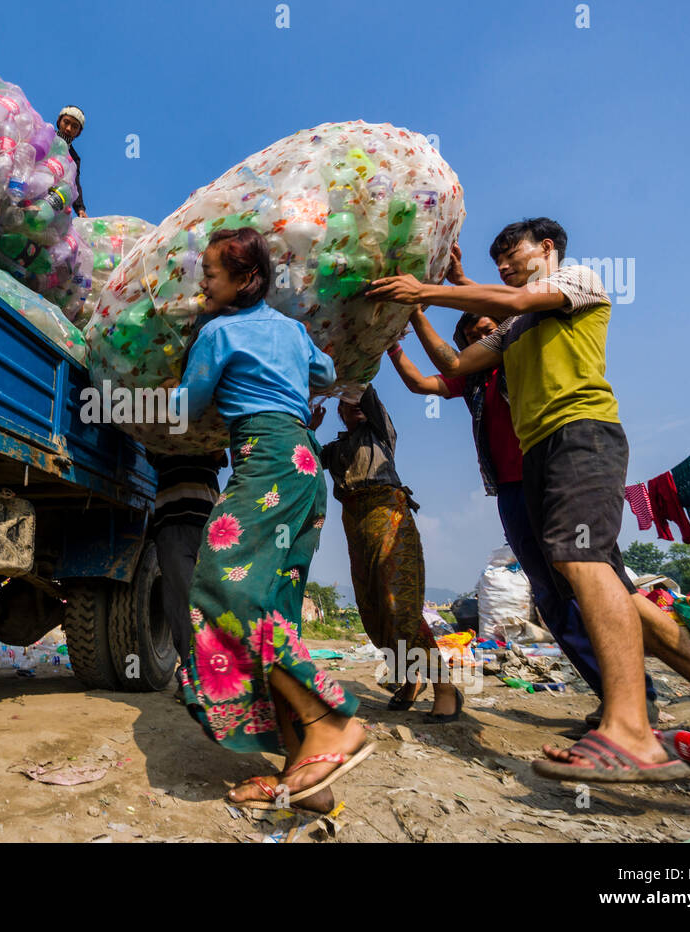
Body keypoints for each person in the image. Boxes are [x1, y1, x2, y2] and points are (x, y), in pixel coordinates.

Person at [366, 217, 690, 781]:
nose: (506, 265)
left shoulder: (579, 281)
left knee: (578, 563)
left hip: (580, 433)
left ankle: (631, 729)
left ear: (548, 248)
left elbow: (514, 297)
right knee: (616, 593)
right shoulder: (513, 329)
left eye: (512, 254)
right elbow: (456, 365)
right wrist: (414, 313)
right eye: (498, 261)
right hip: (541, 453)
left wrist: (426, 289)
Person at [387, 246, 659, 729]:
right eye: (473, 332)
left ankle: (637, 700)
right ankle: (616, 699)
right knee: (553, 595)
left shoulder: (528, 341)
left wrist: (437, 289)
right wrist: (401, 334)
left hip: (560, 464)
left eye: (485, 326)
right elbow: (438, 374)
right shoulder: (477, 378)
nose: (482, 332)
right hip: (515, 489)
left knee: (588, 581)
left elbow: (512, 306)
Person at [172, 227, 372, 811]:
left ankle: (328, 719)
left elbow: (186, 408)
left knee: (220, 587)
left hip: (264, 463)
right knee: (273, 608)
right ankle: (305, 778)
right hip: (305, 465)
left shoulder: (218, 332)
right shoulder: (292, 330)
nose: (203, 283)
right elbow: (325, 373)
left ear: (244, 280)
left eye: (210, 275)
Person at [313, 387, 463, 721]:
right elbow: (304, 457)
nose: (355, 408)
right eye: (347, 405)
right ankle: (410, 681)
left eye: (358, 404)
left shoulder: (380, 433)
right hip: (355, 523)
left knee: (400, 604)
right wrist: (308, 426)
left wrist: (351, 375)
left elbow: (365, 394)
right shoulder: (335, 449)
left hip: (388, 514)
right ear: (339, 413)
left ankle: (445, 688)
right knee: (373, 608)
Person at [146, 450, 228, 673]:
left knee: (211, 597)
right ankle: (193, 669)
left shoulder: (207, 438)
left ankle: (216, 667)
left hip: (209, 526)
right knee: (181, 599)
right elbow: (153, 450)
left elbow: (218, 451)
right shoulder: (160, 436)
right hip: (171, 526)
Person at [55, 106, 87, 218]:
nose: (68, 129)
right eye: (66, 122)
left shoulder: (73, 157)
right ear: (59, 121)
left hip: (53, 199)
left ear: (78, 132)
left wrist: (80, 208)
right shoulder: (46, 136)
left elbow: (74, 183)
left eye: (74, 127)